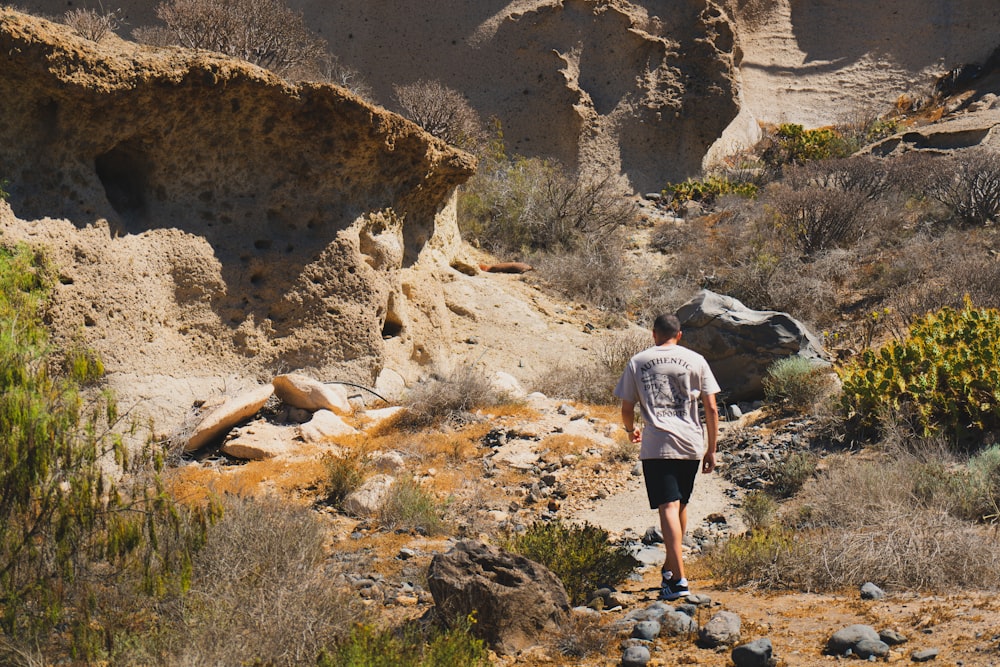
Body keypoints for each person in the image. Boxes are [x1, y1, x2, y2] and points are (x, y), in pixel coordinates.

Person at [614, 313, 720, 601]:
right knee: (680, 504)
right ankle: (671, 569)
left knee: (668, 508)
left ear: (653, 334)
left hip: (658, 445)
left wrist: (629, 430)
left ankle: (679, 581)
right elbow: (711, 407)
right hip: (690, 443)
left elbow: (627, 406)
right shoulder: (696, 360)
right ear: (679, 335)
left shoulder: (638, 361)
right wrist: (712, 448)